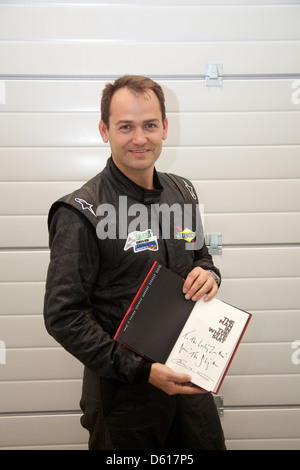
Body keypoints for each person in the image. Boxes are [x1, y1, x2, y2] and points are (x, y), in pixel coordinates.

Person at [44, 75, 226, 450]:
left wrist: (208, 274)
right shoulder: (81, 212)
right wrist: (143, 370)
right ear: (104, 130)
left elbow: (201, 256)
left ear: (165, 128)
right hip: (124, 401)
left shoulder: (183, 191)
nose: (140, 138)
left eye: (149, 125)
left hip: (190, 380)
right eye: (125, 126)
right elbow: (64, 316)